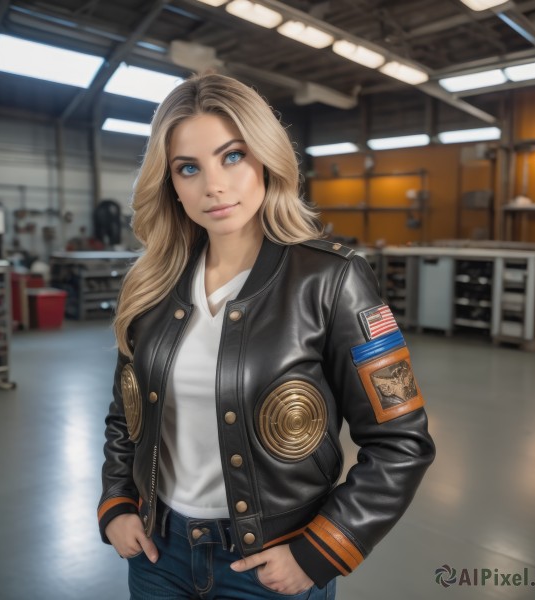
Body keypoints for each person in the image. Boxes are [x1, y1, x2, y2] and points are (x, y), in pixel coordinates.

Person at [98, 73, 435, 599]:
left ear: (265, 157)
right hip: (158, 556)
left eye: (231, 156)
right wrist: (117, 501)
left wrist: (321, 550)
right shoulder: (152, 285)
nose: (213, 184)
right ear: (171, 184)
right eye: (189, 168)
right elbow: (126, 413)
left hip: (269, 565)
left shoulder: (333, 280)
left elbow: (401, 441)